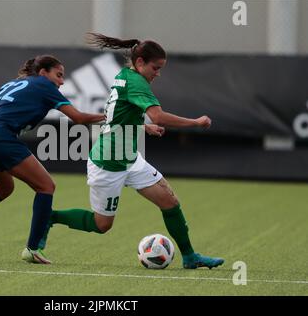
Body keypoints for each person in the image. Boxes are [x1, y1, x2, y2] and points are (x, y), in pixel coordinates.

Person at [40, 34, 224, 269]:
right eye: (155, 68)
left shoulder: (125, 75)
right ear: (140, 63)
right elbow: (158, 115)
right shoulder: (137, 82)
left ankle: (190, 257)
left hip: (130, 159)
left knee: (170, 202)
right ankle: (50, 217)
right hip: (108, 163)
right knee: (102, 225)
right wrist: (195, 123)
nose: (158, 73)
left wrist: (143, 126)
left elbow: (119, 114)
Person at [0, 55, 105, 264]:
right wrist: (107, 115)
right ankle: (33, 248)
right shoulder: (45, 85)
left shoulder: (12, 84)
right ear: (43, 73)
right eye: (59, 75)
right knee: (46, 186)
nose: (62, 81)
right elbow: (78, 118)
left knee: (4, 188)